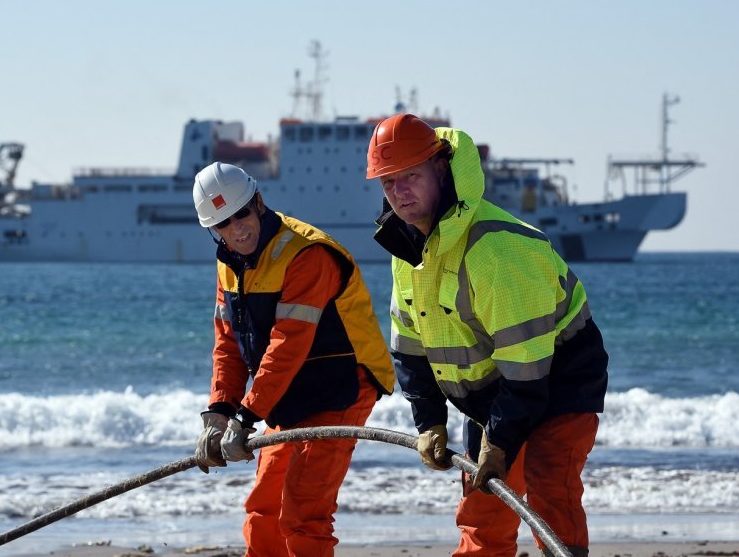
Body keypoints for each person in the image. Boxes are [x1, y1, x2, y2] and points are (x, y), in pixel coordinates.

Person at [366, 114, 608, 557]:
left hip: (560, 379)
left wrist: (497, 444)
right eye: (388, 183)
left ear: (440, 171)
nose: (399, 193)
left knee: (550, 491)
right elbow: (410, 345)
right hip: (493, 391)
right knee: (482, 506)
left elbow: (527, 369)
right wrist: (429, 422)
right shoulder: (407, 248)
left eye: (410, 177)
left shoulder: (496, 249)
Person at [191, 161, 395, 557]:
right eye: (223, 224)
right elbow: (229, 344)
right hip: (288, 394)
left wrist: (247, 416)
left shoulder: (307, 253)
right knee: (263, 509)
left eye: (242, 214)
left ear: (259, 202)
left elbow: (289, 343)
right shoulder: (229, 263)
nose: (237, 229)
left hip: (340, 388)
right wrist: (218, 410)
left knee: (304, 514)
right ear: (212, 231)